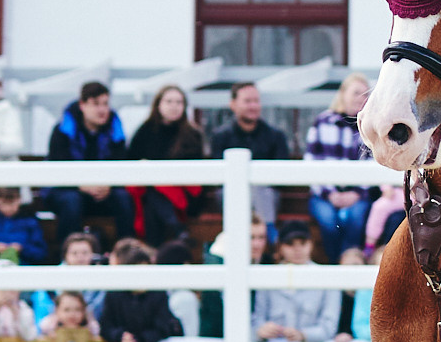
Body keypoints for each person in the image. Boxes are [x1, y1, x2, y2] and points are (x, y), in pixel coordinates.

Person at [44, 81, 132, 252]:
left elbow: (120, 162)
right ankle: (68, 255)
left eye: (105, 103)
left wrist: (108, 185)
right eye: (96, 104)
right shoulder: (62, 131)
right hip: (67, 190)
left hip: (103, 191)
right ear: (82, 105)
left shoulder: (115, 130)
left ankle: (126, 253)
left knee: (123, 198)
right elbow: (58, 167)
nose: (102, 110)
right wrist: (81, 185)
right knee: (71, 201)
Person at [127, 82, 209, 249]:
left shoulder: (192, 134)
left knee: (154, 199)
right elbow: (131, 161)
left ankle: (155, 248)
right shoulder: (145, 131)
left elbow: (195, 168)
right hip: (152, 191)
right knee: (152, 199)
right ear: (158, 104)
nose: (174, 106)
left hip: (184, 192)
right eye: (169, 101)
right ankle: (177, 230)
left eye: (179, 102)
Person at [304, 74, 374, 258]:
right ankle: (336, 264)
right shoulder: (323, 122)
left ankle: (350, 262)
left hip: (357, 194)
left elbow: (373, 164)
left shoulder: (369, 126)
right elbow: (311, 161)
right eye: (356, 93)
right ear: (343, 94)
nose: (361, 98)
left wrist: (356, 193)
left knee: (356, 219)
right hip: (324, 194)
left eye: (365, 94)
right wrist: (330, 194)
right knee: (328, 221)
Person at [253, 222, 345, 342]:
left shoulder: (327, 278)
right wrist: (261, 330)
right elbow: (256, 320)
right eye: (290, 244)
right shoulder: (267, 277)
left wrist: (304, 335)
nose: (297, 249)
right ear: (280, 247)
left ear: (311, 244)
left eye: (303, 243)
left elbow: (329, 326)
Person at [215, 82, 292, 230]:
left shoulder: (275, 136)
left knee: (260, 190)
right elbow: (218, 176)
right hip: (233, 193)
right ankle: (266, 235)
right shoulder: (221, 136)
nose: (253, 106)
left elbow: (281, 176)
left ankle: (261, 233)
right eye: (247, 101)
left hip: (266, 195)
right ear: (233, 104)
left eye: (256, 101)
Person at [34, 229, 106, 321]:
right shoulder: (50, 280)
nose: (80, 257)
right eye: (74, 253)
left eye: (85, 253)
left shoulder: (101, 277)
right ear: (65, 256)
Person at [0, 185, 48, 264]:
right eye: (4, 203)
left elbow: (41, 253)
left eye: (12, 203)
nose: (8, 208)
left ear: (19, 200)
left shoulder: (30, 222)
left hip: (23, 266)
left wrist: (22, 249)